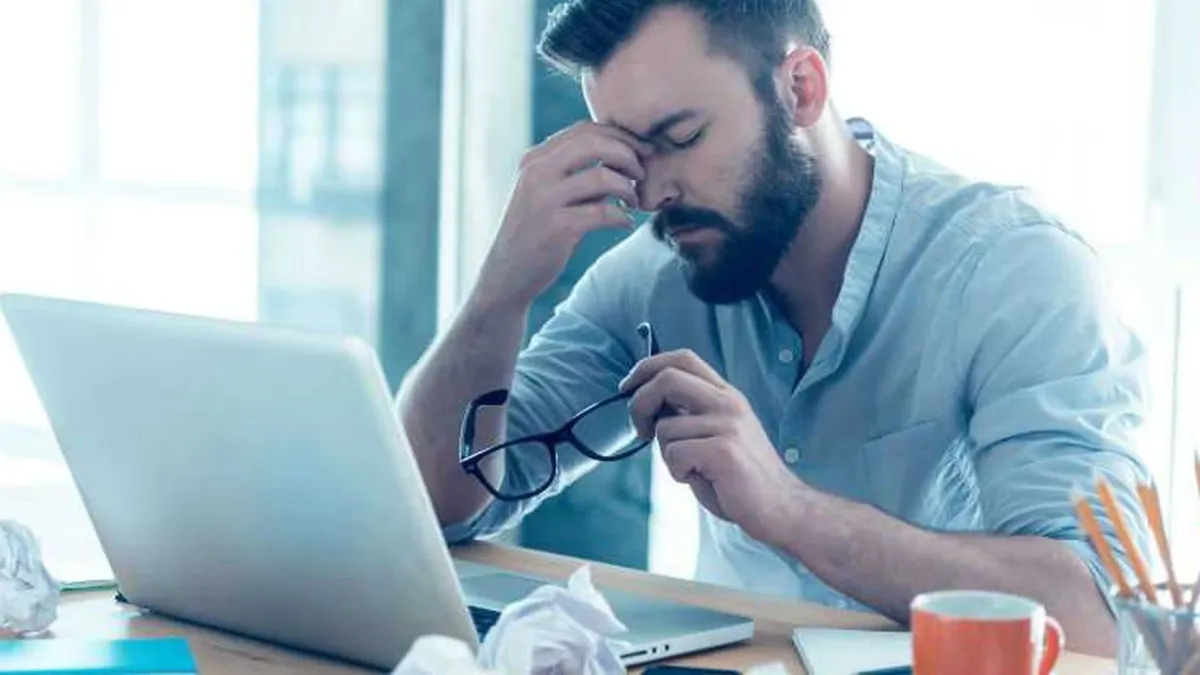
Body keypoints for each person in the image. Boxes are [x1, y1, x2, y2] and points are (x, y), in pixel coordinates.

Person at [397, 0, 1152, 656]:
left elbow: (1095, 617)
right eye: (629, 153)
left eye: (682, 136)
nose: (652, 191)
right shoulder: (655, 274)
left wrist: (790, 510)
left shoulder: (1016, 271)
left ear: (801, 88)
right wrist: (501, 288)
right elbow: (435, 505)